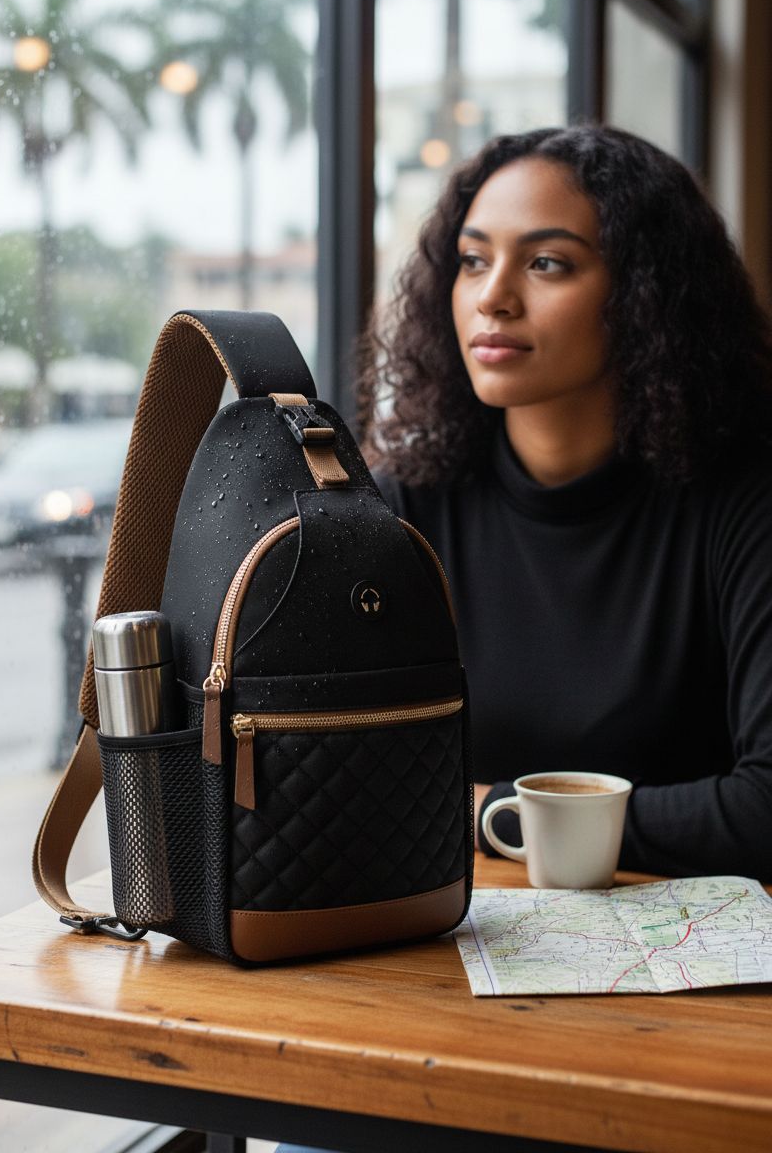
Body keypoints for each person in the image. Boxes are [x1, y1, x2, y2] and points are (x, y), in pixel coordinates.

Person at [273, 123, 772, 1153]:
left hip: (688, 1006)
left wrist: (494, 814)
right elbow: (334, 782)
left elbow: (768, 805)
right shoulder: (401, 509)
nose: (492, 298)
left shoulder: (743, 506)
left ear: (646, 297)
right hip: (444, 972)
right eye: (472, 260)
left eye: (547, 263)